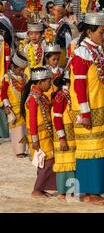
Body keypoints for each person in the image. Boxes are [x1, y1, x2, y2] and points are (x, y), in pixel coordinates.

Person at [70, 13, 104, 205]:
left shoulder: (98, 50)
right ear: (89, 31)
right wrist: (85, 113)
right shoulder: (82, 53)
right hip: (89, 110)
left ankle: (92, 191)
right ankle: (90, 192)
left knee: (100, 151)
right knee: (91, 151)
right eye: (101, 32)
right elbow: (79, 87)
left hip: (101, 108)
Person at [20, 67, 56, 198]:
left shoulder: (40, 96)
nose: (50, 84)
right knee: (46, 163)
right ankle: (37, 189)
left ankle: (41, 188)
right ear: (40, 82)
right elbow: (32, 121)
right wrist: (35, 140)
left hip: (45, 136)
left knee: (45, 163)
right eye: (48, 81)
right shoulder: (33, 99)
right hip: (39, 137)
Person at [51, 72, 76, 199]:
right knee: (63, 165)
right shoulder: (61, 97)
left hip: (70, 135)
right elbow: (57, 119)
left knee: (71, 164)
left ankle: (71, 191)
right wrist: (62, 139)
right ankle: (62, 192)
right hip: (63, 136)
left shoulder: (68, 96)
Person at [1, 52, 28, 157]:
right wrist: (7, 106)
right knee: (16, 130)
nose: (21, 72)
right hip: (13, 108)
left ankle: (23, 149)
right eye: (19, 70)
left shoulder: (25, 77)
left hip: (24, 108)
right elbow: (3, 94)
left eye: (23, 70)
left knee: (24, 129)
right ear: (12, 67)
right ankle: (18, 151)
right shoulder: (7, 78)